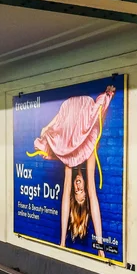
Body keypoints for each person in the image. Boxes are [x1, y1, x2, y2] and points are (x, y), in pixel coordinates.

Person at [30, 85, 116, 258]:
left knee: (51, 132)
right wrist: (101, 248)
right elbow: (94, 197)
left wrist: (62, 242)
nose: (78, 187)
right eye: (81, 191)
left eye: (75, 191)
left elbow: (65, 200)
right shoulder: (89, 153)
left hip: (70, 110)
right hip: (84, 111)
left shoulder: (69, 157)